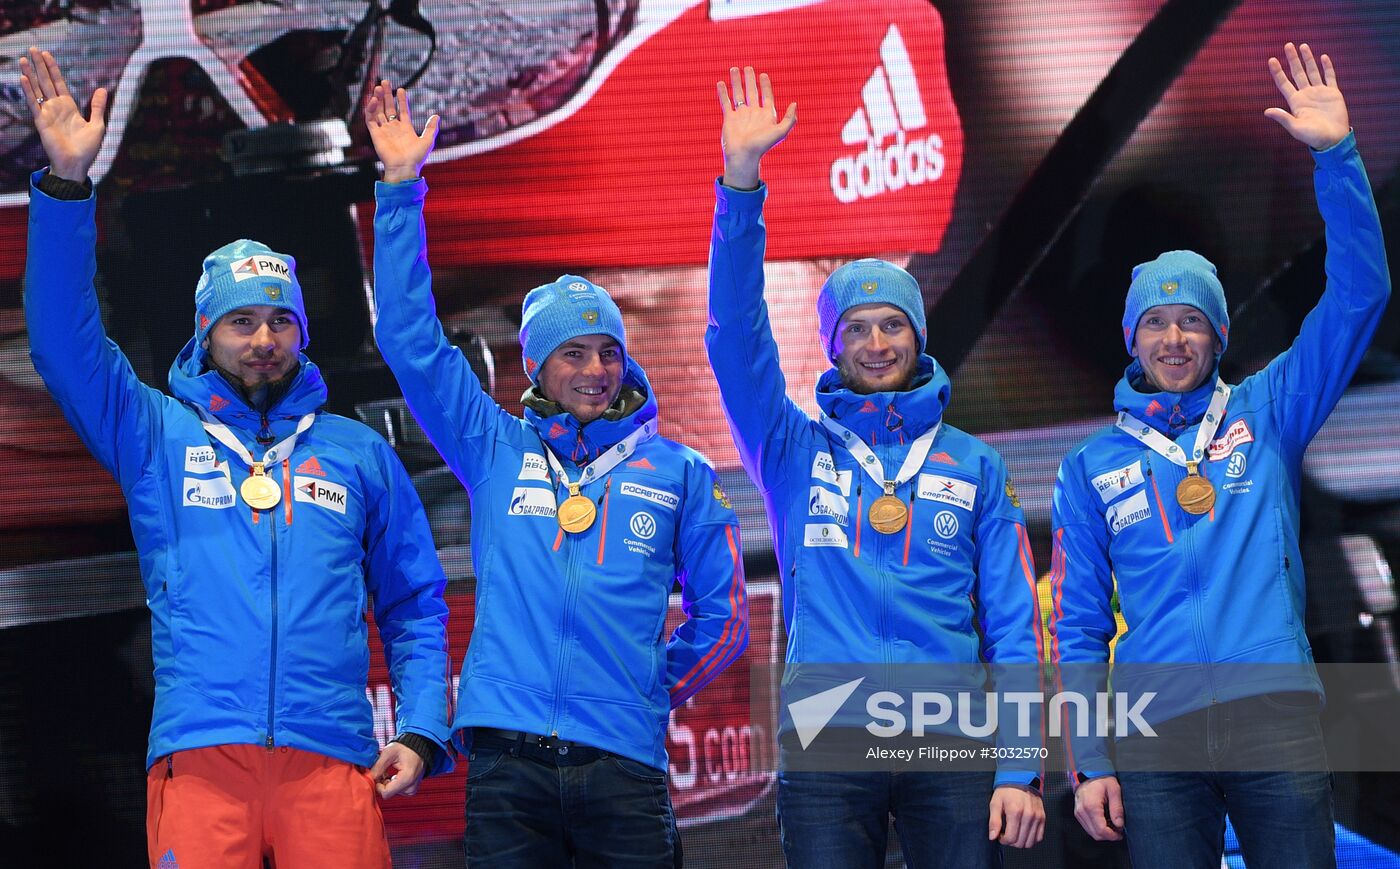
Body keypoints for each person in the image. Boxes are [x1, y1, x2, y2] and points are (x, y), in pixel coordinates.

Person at [19, 48, 455, 868]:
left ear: (302, 331)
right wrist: (69, 188)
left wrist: (425, 721)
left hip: (333, 757)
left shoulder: (357, 453)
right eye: (241, 322)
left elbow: (414, 603)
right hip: (201, 758)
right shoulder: (154, 434)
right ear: (205, 335)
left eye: (279, 322)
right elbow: (66, 349)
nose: (263, 340)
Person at [364, 80, 749, 867]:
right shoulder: (494, 446)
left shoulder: (679, 471)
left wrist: (640, 686)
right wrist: (401, 190)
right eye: (573, 352)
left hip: (625, 765)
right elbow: (409, 338)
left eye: (608, 350)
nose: (596, 368)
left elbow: (726, 620)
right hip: (508, 762)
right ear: (536, 365)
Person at [1050, 43, 1390, 869]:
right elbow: (1083, 626)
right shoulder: (1091, 466)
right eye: (1156, 323)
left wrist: (1338, 158)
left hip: (1273, 715)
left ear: (1218, 335)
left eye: (1192, 320)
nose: (1174, 337)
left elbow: (1357, 296)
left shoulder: (1270, 409)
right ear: (1131, 336)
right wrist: (1091, 758)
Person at [706, 67, 1046, 867]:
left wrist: (1021, 766)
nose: (877, 342)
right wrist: (741, 185)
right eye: (855, 328)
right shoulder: (793, 450)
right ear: (831, 346)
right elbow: (733, 340)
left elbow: (1012, 625)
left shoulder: (975, 464)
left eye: (893, 323)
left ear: (917, 336)